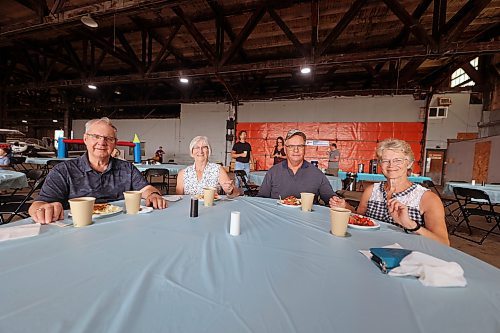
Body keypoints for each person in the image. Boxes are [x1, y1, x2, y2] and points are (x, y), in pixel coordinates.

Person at [29, 117, 168, 224]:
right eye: (96, 136)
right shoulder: (63, 171)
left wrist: (153, 195)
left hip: (121, 226)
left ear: (115, 143)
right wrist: (42, 209)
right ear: (85, 139)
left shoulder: (127, 168)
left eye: (109, 138)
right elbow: (39, 204)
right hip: (79, 229)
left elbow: (145, 188)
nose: (102, 142)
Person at [329, 138, 449, 246]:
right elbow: (361, 219)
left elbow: (443, 243)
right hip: (368, 248)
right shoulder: (371, 191)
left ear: (409, 163)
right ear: (380, 164)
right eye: (385, 160)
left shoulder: (427, 198)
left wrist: (411, 225)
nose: (391, 165)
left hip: (407, 256)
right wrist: (345, 206)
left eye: (398, 160)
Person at [258, 129, 336, 204]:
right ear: (285, 149)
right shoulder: (273, 172)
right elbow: (261, 200)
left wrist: (338, 203)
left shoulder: (317, 174)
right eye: (291, 146)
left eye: (300, 146)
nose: (296, 150)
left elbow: (331, 199)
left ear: (305, 148)